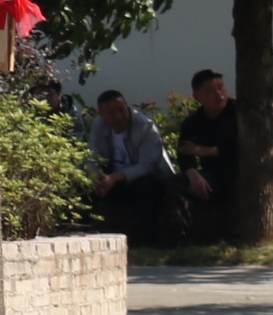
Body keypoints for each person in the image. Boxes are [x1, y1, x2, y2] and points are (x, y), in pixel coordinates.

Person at [86, 89, 177, 246]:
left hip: (150, 178)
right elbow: (92, 157)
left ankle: (148, 242)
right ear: (102, 115)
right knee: (85, 188)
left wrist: (114, 178)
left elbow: (147, 165)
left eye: (121, 110)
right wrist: (95, 177)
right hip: (115, 180)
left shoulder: (145, 126)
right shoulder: (98, 125)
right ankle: (86, 235)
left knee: (145, 187)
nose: (119, 116)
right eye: (111, 113)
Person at [176, 69, 238, 241]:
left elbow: (247, 148)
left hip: (241, 173)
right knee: (177, 183)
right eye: (210, 91)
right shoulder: (193, 122)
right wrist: (193, 174)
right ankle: (181, 239)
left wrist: (209, 151)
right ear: (197, 97)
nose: (219, 94)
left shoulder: (240, 113)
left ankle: (234, 237)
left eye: (221, 88)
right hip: (212, 175)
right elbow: (185, 152)